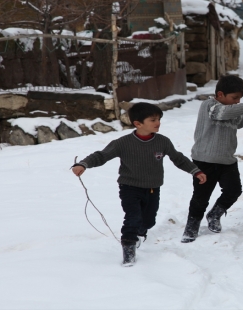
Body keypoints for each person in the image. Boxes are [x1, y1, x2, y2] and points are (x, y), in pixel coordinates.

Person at [72, 102, 207, 266]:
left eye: (159, 119)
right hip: (129, 187)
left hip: (152, 188)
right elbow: (102, 155)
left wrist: (195, 171)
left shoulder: (162, 142)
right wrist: (83, 164)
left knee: (148, 221)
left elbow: (178, 158)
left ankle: (141, 233)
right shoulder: (123, 143)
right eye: (153, 120)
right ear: (138, 123)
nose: (158, 123)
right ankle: (129, 248)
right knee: (132, 217)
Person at [181, 75, 243, 243]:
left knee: (234, 190)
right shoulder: (210, 106)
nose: (237, 102)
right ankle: (191, 227)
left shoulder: (230, 110)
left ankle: (215, 214)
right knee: (201, 197)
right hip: (204, 161)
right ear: (220, 94)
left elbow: (240, 121)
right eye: (235, 98)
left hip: (227, 161)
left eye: (240, 99)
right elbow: (224, 113)